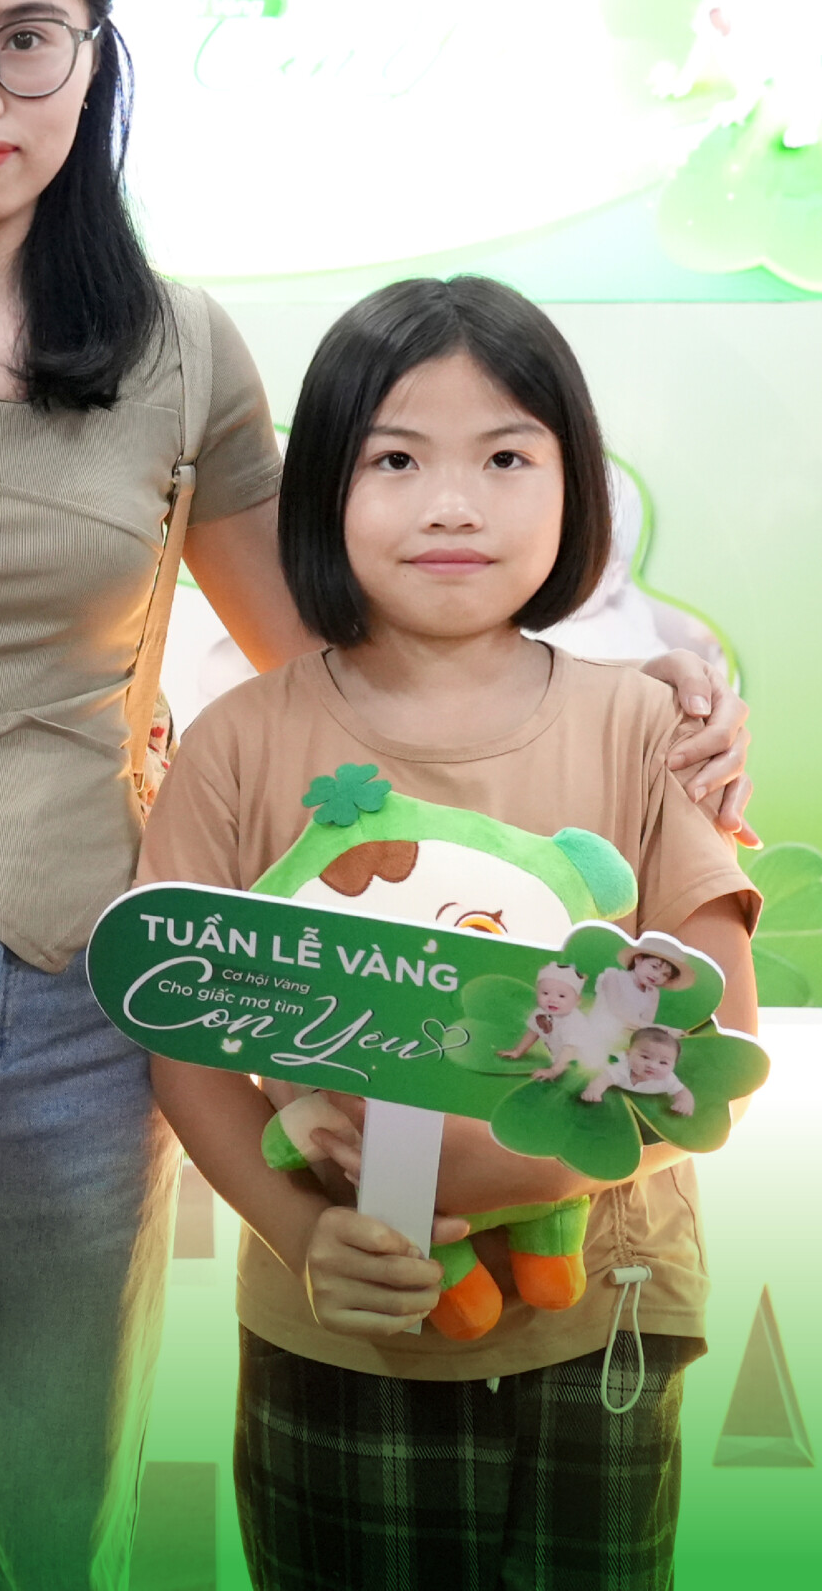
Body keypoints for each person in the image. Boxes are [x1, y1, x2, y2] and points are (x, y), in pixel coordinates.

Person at [0, 0, 749, 1590]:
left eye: (28, 40)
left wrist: (636, 684)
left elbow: (353, 648)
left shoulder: (177, 348)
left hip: (93, 991)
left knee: (53, 1518)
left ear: (95, 58)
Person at [140, 276, 760, 1591]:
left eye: (506, 458)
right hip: (338, 1330)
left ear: (577, 485)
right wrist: (299, 1230)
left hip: (603, 1323)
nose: (454, 504)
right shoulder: (239, 744)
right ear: (323, 487)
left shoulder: (647, 728)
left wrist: (525, 1171)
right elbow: (181, 1041)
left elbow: (720, 1035)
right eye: (397, 460)